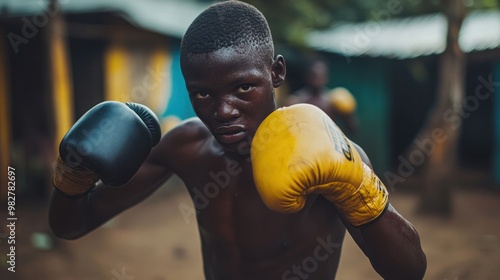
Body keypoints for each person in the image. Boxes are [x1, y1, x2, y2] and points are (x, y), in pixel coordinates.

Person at [49, 1, 426, 279]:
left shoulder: (328, 152)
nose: (223, 111)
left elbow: (409, 270)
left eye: (243, 87)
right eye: (202, 94)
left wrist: (357, 187)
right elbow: (72, 224)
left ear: (276, 73)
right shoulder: (186, 147)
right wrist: (73, 176)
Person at [288, 57, 358, 135]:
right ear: (307, 77)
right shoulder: (297, 101)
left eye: (320, 76)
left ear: (326, 77)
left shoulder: (332, 101)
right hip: (304, 143)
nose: (317, 79)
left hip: (328, 144)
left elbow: (352, 129)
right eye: (314, 75)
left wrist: (348, 115)